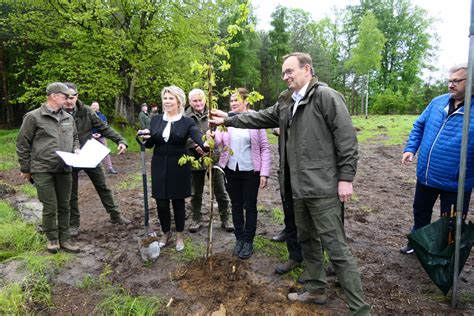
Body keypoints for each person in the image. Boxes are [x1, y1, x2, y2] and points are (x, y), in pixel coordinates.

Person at [209, 53, 370, 315]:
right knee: (306, 239)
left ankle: (360, 309)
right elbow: (258, 117)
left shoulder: (326, 97)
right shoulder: (286, 102)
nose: (285, 77)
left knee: (336, 247)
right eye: (283, 73)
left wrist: (346, 178)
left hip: (323, 187)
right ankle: (316, 290)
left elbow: (347, 140)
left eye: (289, 71)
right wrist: (228, 119)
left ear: (306, 69)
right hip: (296, 187)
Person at [400, 63, 474, 254]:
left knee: (449, 222)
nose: (451, 85)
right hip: (426, 175)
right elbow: (419, 125)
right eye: (449, 81)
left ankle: (444, 256)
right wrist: (411, 148)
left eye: (457, 81)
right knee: (420, 211)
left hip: (455, 182)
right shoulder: (437, 102)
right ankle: (418, 243)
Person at [138, 85, 207, 252]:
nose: (167, 102)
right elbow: (150, 143)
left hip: (179, 166)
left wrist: (205, 143)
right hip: (159, 165)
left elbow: (197, 136)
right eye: (165, 98)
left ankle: (179, 235)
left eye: (171, 98)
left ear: (179, 102)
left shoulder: (187, 122)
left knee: (178, 202)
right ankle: (165, 232)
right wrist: (143, 137)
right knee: (161, 202)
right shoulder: (155, 120)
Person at [16, 82, 81, 253]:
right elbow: (23, 143)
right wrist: (25, 168)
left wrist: (76, 148)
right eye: (65, 96)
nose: (68, 99)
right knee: (50, 206)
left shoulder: (68, 117)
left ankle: (65, 239)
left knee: (65, 205)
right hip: (42, 169)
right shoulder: (34, 117)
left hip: (65, 168)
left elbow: (74, 137)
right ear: (53, 96)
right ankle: (52, 239)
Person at [63, 83, 131, 237]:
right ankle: (74, 224)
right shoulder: (57, 113)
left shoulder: (87, 111)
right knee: (71, 193)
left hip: (89, 154)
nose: (69, 101)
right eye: (66, 97)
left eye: (72, 97)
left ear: (77, 96)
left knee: (103, 185)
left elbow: (104, 127)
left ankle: (115, 215)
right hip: (69, 156)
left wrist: (121, 140)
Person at [213, 88, 271, 259]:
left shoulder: (255, 120)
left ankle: (248, 241)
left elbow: (265, 148)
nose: (233, 103)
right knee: (236, 205)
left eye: (237, 99)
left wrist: (264, 173)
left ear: (246, 101)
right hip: (231, 169)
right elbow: (218, 142)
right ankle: (239, 238)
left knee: (250, 206)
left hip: (251, 171)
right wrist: (212, 133)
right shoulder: (227, 121)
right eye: (231, 101)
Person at [185, 88, 234, 233]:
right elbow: (182, 134)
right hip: (195, 158)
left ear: (205, 100)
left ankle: (226, 218)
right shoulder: (185, 117)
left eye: (200, 100)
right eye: (195, 100)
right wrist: (195, 145)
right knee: (196, 192)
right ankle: (196, 219)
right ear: (190, 102)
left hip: (214, 157)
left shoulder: (213, 114)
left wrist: (212, 145)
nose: (198, 103)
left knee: (220, 189)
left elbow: (222, 132)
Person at [269, 127, 304, 275]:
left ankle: (314, 265)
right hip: (286, 167)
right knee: (289, 213)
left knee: (310, 221)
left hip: (307, 170)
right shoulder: (284, 105)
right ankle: (295, 256)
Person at [90, 101, 117, 174]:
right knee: (91, 153)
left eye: (96, 105)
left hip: (101, 136)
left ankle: (110, 168)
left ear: (98, 107)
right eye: (93, 105)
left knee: (105, 152)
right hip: (91, 137)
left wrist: (100, 134)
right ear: (91, 107)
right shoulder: (87, 116)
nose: (95, 107)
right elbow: (86, 127)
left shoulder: (102, 116)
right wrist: (92, 134)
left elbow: (105, 127)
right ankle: (92, 169)